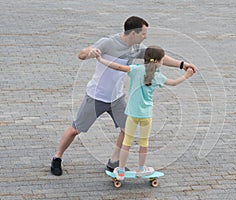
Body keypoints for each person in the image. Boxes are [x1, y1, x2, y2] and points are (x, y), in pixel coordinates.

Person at [51, 16, 197, 176]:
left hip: (117, 99)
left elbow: (158, 57)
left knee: (126, 130)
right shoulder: (108, 43)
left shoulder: (136, 47)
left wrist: (182, 64)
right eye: (143, 34)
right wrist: (90, 52)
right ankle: (57, 157)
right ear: (133, 33)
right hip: (96, 97)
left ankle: (113, 162)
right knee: (75, 130)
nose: (145, 37)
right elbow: (81, 54)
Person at [96, 46, 194, 180]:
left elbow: (118, 67)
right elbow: (173, 83)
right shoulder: (158, 76)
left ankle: (121, 170)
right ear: (159, 61)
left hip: (132, 114)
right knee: (144, 142)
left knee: (127, 141)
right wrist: (186, 75)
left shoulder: (136, 70)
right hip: (146, 115)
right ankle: (141, 169)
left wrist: (101, 59)